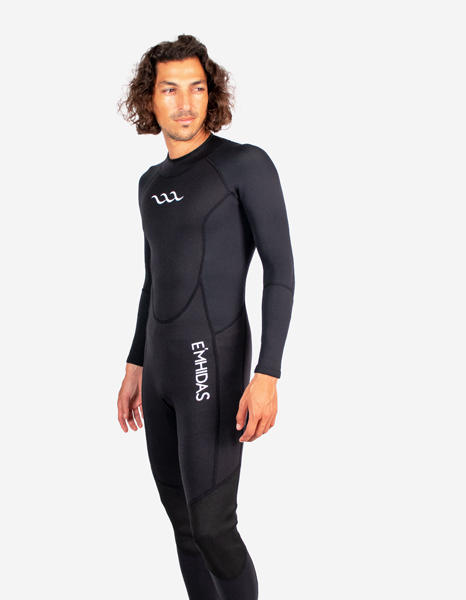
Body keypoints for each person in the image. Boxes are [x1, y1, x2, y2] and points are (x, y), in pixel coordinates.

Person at [116, 34, 294, 600]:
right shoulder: (150, 185)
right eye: (170, 90)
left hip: (210, 364)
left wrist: (268, 373)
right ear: (150, 99)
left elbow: (280, 270)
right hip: (160, 372)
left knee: (214, 528)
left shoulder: (243, 165)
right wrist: (135, 364)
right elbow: (154, 279)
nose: (185, 102)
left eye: (196, 88)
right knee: (185, 528)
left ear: (210, 93)